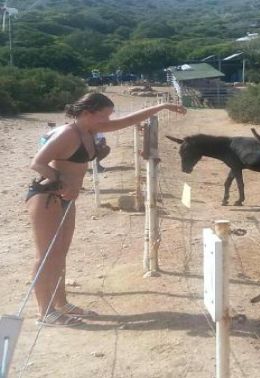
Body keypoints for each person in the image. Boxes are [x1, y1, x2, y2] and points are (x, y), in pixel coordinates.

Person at [27, 92, 186, 326]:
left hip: (66, 197)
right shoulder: (67, 133)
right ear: (88, 113)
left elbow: (128, 121)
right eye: (105, 116)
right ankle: (45, 312)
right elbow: (37, 163)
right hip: (48, 196)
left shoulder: (89, 130)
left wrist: (162, 106)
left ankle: (61, 303)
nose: (109, 121)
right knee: (46, 256)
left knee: (60, 254)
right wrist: (63, 184)